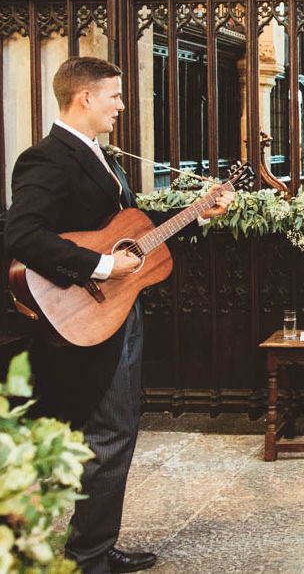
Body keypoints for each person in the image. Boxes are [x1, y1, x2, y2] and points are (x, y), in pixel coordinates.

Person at [4, 57, 234, 573]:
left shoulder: (99, 156)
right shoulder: (48, 159)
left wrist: (199, 213)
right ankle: (88, 557)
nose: (122, 106)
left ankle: (95, 544)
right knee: (109, 433)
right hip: (83, 311)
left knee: (115, 430)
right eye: (114, 96)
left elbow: (134, 231)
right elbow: (21, 235)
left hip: (114, 310)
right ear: (84, 97)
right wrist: (102, 265)